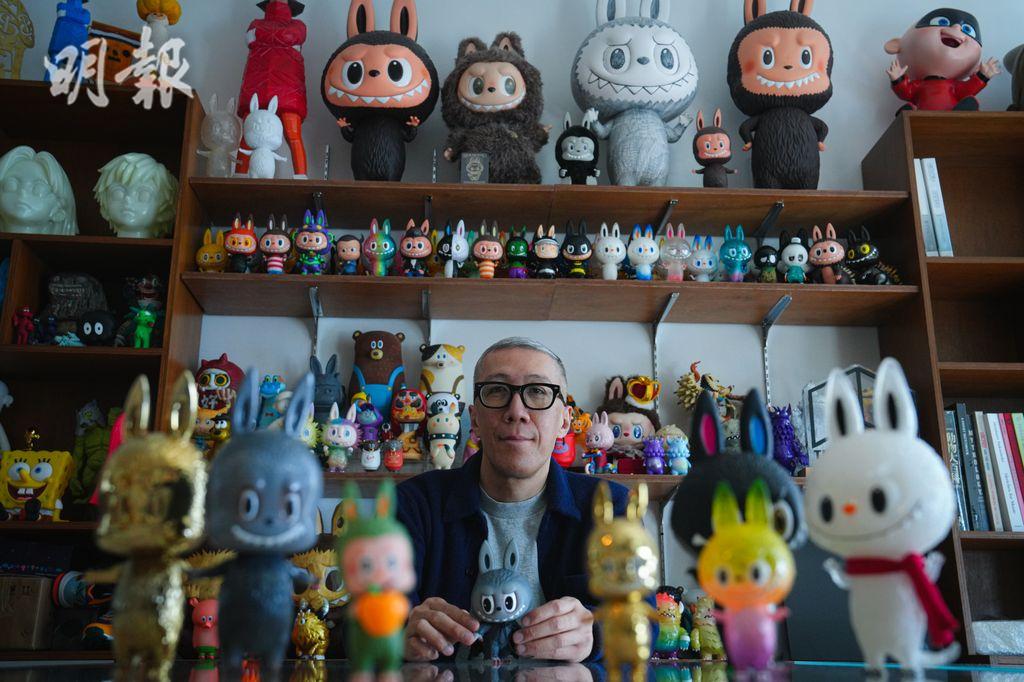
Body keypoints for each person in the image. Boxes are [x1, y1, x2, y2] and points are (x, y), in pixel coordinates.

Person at [397, 337, 630, 663]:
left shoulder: (609, 507)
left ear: (564, 421)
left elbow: (642, 621)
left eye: (538, 392)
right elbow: (359, 624)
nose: (516, 411)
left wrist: (596, 634)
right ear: (474, 419)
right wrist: (396, 634)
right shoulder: (414, 505)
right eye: (497, 391)